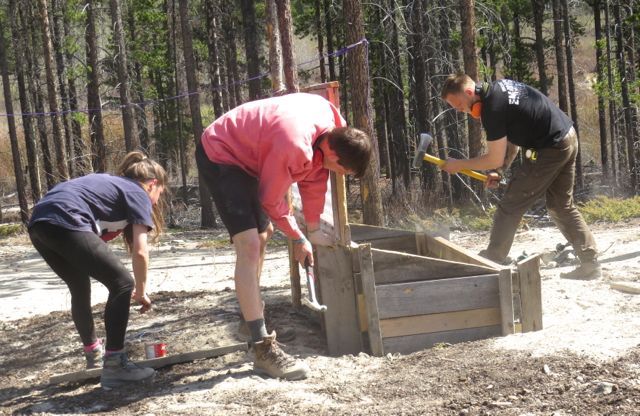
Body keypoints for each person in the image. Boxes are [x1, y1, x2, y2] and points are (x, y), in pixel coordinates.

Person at [196, 92, 372, 380]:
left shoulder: (334, 127)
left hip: (254, 147)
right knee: (249, 244)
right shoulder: (294, 145)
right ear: (333, 154)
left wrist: (313, 231)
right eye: (342, 169)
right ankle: (262, 348)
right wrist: (298, 237)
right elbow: (271, 200)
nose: (340, 175)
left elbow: (315, 180)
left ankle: (250, 317)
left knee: (263, 232)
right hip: (222, 150)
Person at [439, 73, 600, 280]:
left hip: (551, 146)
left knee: (510, 204)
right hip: (567, 136)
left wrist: (459, 165)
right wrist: (500, 170)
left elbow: (493, 158)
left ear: (469, 93)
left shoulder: (492, 109)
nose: (459, 110)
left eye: (459, 105)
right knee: (561, 205)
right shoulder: (497, 91)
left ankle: (492, 260)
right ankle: (590, 264)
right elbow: (511, 142)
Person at [28, 152, 167, 389]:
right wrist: (141, 291)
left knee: (79, 285)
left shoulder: (113, 186)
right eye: (159, 195)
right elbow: (141, 253)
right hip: (66, 218)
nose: (155, 202)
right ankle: (115, 365)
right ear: (153, 185)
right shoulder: (138, 192)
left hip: (39, 223)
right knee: (123, 283)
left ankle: (94, 355)